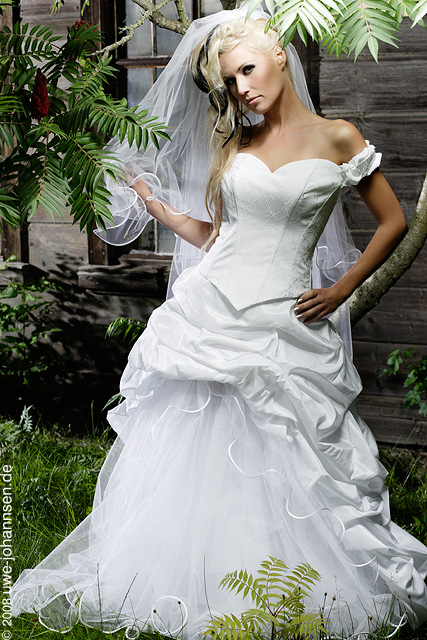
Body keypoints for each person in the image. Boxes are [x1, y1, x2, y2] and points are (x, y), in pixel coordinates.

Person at [10, 8, 427, 640]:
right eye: (231, 81)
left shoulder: (338, 138)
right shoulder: (240, 145)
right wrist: (159, 209)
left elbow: (394, 222)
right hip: (213, 311)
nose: (243, 89)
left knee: (293, 450)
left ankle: (293, 580)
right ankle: (200, 575)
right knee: (202, 447)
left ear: (281, 55)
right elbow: (219, 236)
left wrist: (340, 290)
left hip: (288, 318)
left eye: (249, 70)